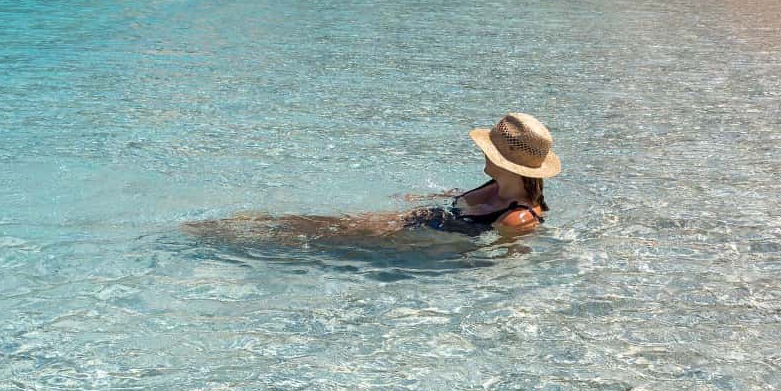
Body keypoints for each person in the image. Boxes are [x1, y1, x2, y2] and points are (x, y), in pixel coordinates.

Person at [184, 113, 560, 246]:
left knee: (313, 236)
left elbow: (493, 262)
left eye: (490, 152)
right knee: (309, 227)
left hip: (403, 240)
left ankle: (218, 236)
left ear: (509, 165)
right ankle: (226, 231)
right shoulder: (501, 188)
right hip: (408, 225)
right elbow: (458, 203)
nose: (483, 156)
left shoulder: (518, 218)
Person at [402, 113, 560, 237]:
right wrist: (428, 197)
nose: (484, 152)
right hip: (417, 225)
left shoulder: (517, 219)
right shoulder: (499, 186)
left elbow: (503, 263)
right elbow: (459, 197)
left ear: (505, 164)